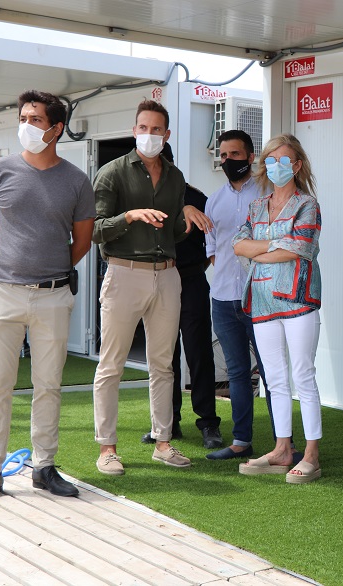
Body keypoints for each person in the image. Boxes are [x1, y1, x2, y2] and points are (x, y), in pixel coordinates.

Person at [0, 90, 95, 505]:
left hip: (53, 296)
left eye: (35, 119)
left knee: (48, 385)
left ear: (56, 128)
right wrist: (7, 264)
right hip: (2, 293)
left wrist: (47, 268)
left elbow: (82, 240)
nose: (26, 125)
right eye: (22, 118)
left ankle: (44, 467)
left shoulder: (76, 180)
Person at [91, 99, 211, 475]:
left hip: (168, 275)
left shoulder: (175, 178)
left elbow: (173, 231)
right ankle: (107, 449)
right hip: (124, 272)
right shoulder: (111, 173)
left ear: (166, 134)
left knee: (163, 364)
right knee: (111, 364)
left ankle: (163, 443)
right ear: (134, 130)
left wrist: (185, 214)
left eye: (156, 129)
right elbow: (94, 229)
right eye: (143, 128)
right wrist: (130, 216)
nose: (149, 134)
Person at [233, 134, 323, 483]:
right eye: (270, 160)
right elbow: (237, 245)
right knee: (274, 377)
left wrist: (259, 249)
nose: (275, 166)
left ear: (297, 165)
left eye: (283, 160)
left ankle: (311, 454)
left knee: (303, 374)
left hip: (298, 299)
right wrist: (274, 245)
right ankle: (282, 449)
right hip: (262, 300)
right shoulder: (257, 206)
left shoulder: (307, 204)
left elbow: (300, 247)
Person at [204, 130, 281, 461]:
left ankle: (284, 445)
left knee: (271, 372)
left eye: (234, 154)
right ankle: (241, 442)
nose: (227, 160)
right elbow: (212, 250)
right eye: (223, 155)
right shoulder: (213, 201)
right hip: (223, 299)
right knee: (236, 373)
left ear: (251, 157)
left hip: (261, 297)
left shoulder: (270, 193)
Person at [139, 144, 220, 448]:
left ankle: (208, 423)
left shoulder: (196, 198)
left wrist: (195, 270)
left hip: (190, 280)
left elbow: (212, 245)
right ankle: (167, 423)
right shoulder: (141, 199)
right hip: (155, 281)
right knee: (163, 356)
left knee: (199, 352)